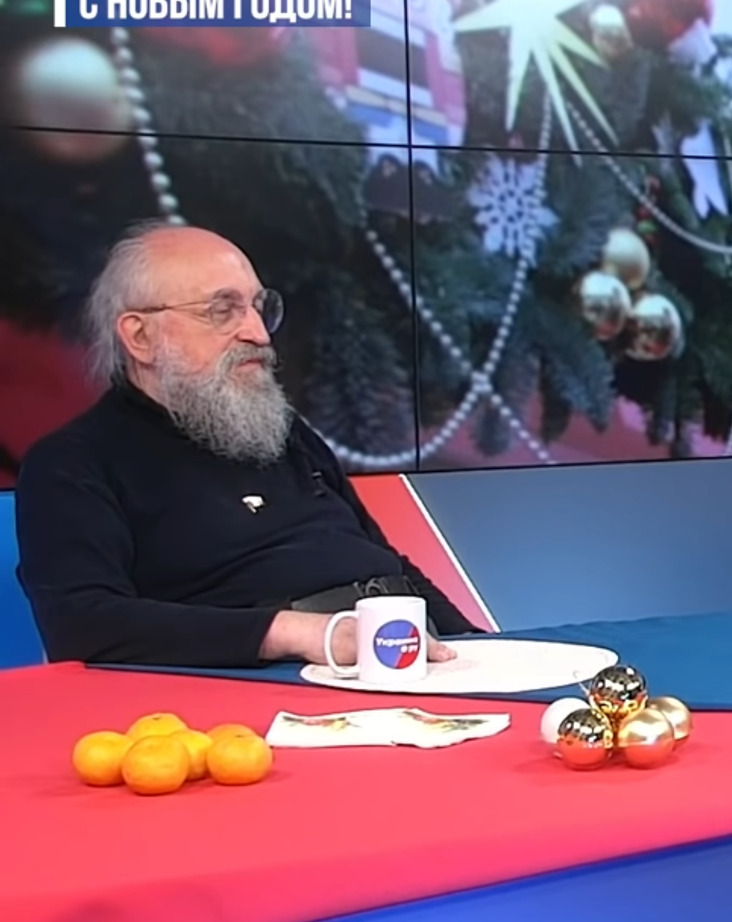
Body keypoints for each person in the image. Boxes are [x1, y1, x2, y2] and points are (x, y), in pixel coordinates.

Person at [13, 221, 478, 667]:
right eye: (222, 310)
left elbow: (389, 564)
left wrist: (476, 648)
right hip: (279, 681)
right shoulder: (74, 463)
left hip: (399, 649)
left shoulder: (285, 431)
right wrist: (294, 634)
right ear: (140, 336)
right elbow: (80, 622)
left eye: (259, 307)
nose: (258, 333)